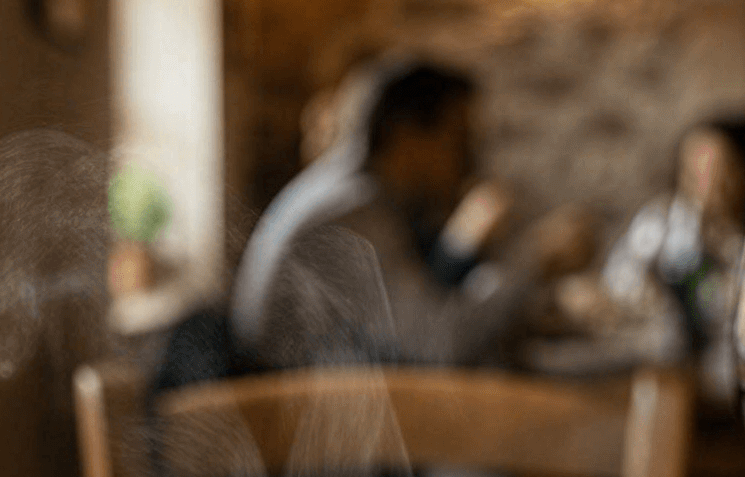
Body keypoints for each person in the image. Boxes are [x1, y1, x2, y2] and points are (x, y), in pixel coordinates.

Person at [229, 62, 536, 370]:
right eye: (460, 140)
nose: (472, 160)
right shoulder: (352, 211)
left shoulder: (354, 194)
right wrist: (530, 259)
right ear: (406, 134)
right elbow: (439, 346)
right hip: (294, 395)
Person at [600, 118, 745, 357]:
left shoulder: (739, 240)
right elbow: (619, 284)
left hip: (722, 359)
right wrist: (660, 301)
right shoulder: (658, 223)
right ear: (685, 174)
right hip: (659, 353)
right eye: (706, 169)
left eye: (725, 168)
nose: (718, 180)